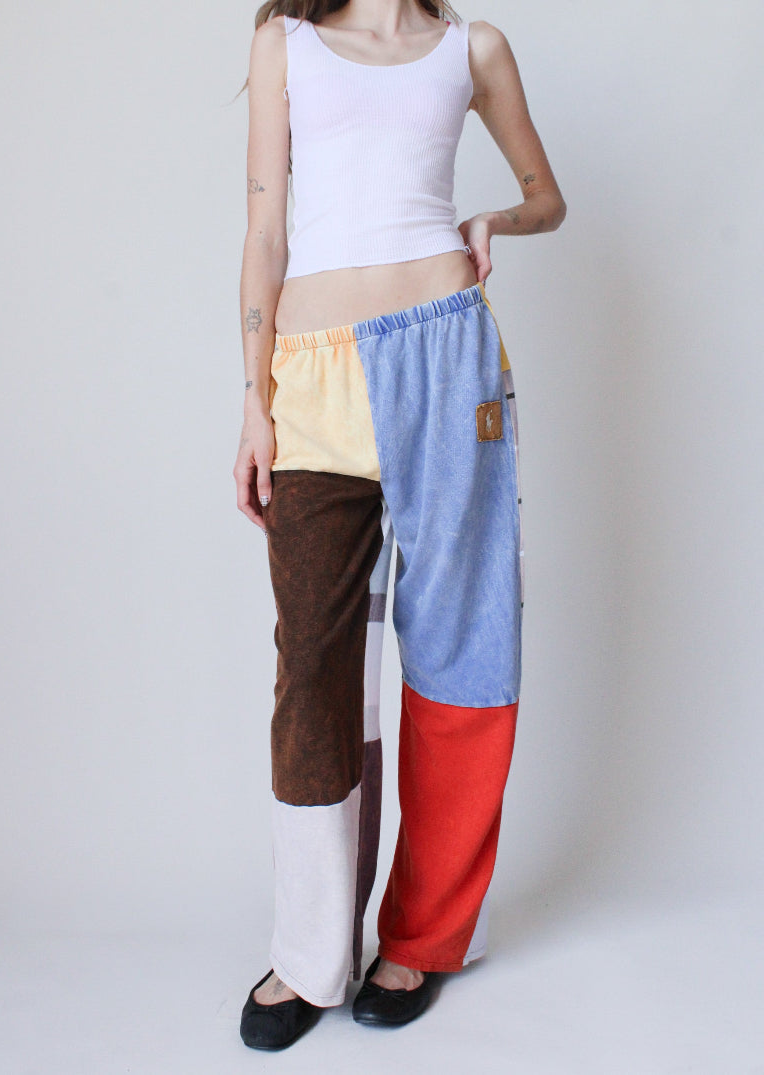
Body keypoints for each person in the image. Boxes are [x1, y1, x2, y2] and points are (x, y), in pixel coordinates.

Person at [232, 0, 566, 1051]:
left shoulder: (473, 47)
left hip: (448, 356)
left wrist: (496, 220)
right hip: (311, 375)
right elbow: (266, 233)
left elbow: (548, 198)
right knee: (313, 664)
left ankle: (422, 935)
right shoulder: (285, 46)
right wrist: (255, 403)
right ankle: (311, 951)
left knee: (463, 647)